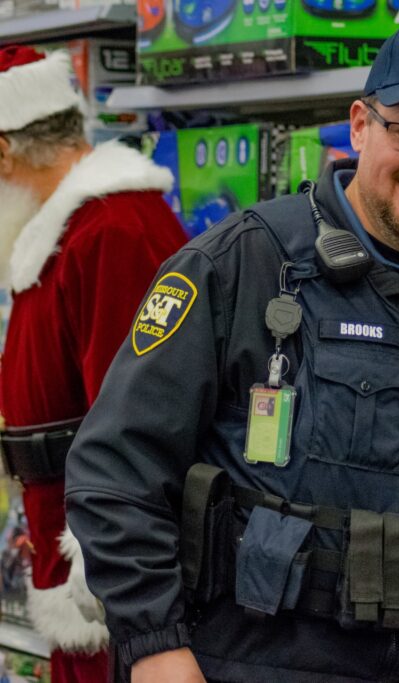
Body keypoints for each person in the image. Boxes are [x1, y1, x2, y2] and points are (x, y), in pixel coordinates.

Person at [65, 18, 399, 683]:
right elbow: (114, 467)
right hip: (244, 664)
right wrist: (155, 641)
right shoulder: (241, 266)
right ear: (361, 125)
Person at [0, 46, 186, 683]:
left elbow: (143, 414)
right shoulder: (72, 228)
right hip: (62, 537)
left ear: (4, 152)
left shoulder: (112, 231)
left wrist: (107, 559)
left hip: (106, 577)